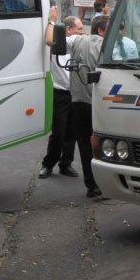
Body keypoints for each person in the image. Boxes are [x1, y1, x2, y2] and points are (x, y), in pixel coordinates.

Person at [45, 12, 110, 198]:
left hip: (81, 101)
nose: (81, 32)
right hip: (105, 102)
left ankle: (93, 185)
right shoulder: (114, 45)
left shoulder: (78, 41)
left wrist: (52, 23)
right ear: (102, 30)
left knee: (84, 144)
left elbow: (53, 42)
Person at [39, 10, 83, 179]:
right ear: (69, 30)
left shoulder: (78, 43)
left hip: (75, 93)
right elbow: (49, 39)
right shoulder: (59, 43)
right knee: (58, 133)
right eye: (79, 28)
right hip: (60, 94)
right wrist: (51, 21)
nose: (82, 31)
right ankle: (48, 164)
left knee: (72, 133)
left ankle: (66, 164)